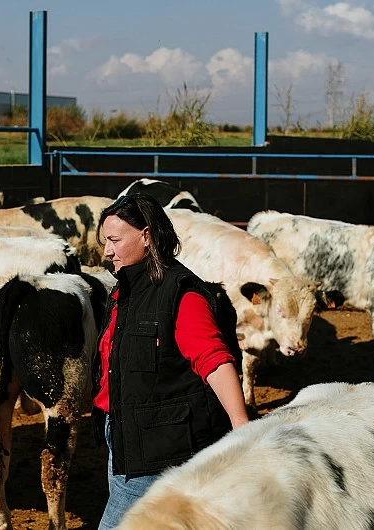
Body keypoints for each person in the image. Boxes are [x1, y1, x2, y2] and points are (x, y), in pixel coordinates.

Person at [93, 193, 249, 529]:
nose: (107, 251)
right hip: (123, 432)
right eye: (105, 241)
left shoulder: (182, 294)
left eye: (115, 240)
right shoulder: (125, 290)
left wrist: (240, 426)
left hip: (161, 443)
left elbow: (214, 360)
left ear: (147, 236)